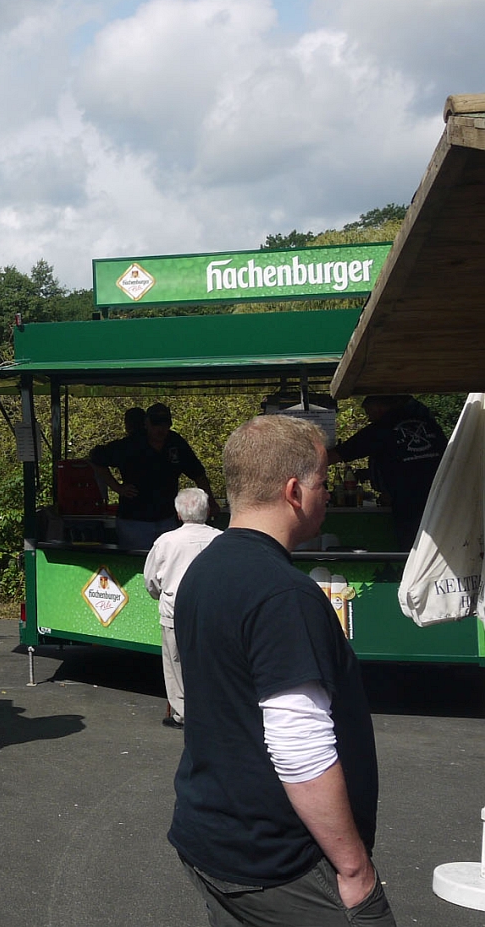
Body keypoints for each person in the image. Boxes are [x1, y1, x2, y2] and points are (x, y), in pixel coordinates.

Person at [171, 416, 391, 926]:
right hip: (282, 863)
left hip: (213, 838)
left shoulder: (203, 569)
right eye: (323, 483)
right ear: (294, 492)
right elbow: (300, 747)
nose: (327, 494)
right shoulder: (284, 595)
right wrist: (354, 868)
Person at [141, 488, 220, 728]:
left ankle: (184, 715)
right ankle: (214, 710)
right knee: (212, 663)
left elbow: (151, 581)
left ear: (178, 513)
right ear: (207, 510)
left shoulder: (166, 541)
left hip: (175, 610)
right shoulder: (222, 539)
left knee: (175, 665)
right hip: (213, 612)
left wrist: (161, 596)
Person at [90, 403, 215, 551]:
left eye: (165, 423)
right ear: (146, 423)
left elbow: (198, 474)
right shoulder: (131, 445)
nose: (160, 428)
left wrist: (210, 502)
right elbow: (96, 458)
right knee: (138, 562)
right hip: (134, 520)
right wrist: (117, 487)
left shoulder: (175, 443)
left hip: (167, 518)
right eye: (156, 423)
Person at [328, 395, 445, 550]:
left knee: (412, 549)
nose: (369, 419)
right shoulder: (430, 426)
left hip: (409, 504)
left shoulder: (381, 429)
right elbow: (410, 461)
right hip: (442, 499)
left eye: (369, 413)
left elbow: (337, 455)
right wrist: (370, 473)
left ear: (379, 408)